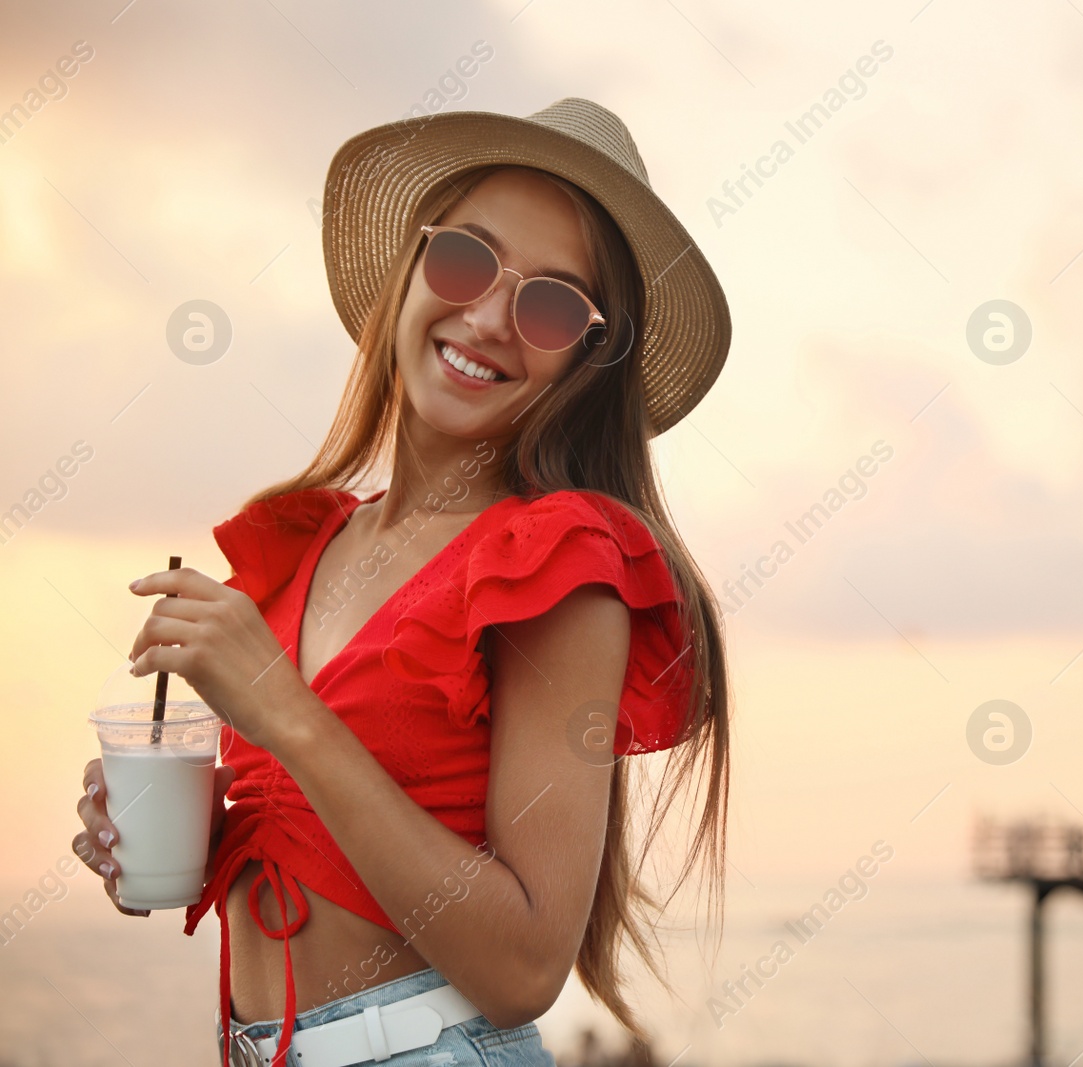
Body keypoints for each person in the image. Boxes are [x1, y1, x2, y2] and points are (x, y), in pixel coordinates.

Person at [71, 98, 733, 1067]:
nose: (488, 319)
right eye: (466, 260)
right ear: (413, 268)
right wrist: (207, 827)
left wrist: (285, 714)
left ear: (585, 360)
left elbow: (520, 967)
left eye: (549, 304)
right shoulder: (309, 545)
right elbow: (348, 833)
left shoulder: (557, 562)